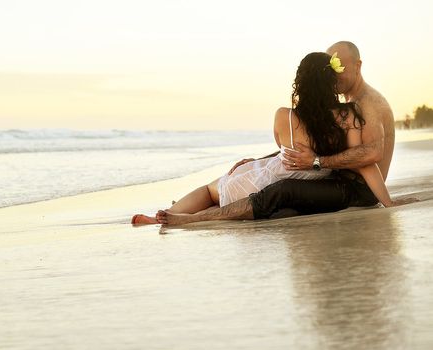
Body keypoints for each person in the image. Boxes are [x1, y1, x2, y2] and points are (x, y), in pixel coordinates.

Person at [154, 41, 412, 226]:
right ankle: (186, 213)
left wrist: (386, 202)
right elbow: (299, 149)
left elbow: (368, 156)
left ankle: (192, 217)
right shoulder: (344, 110)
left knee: (279, 189)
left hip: (356, 188)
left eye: (342, 68)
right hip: (336, 180)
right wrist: (261, 159)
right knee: (268, 189)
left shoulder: (362, 105)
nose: (339, 76)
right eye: (335, 72)